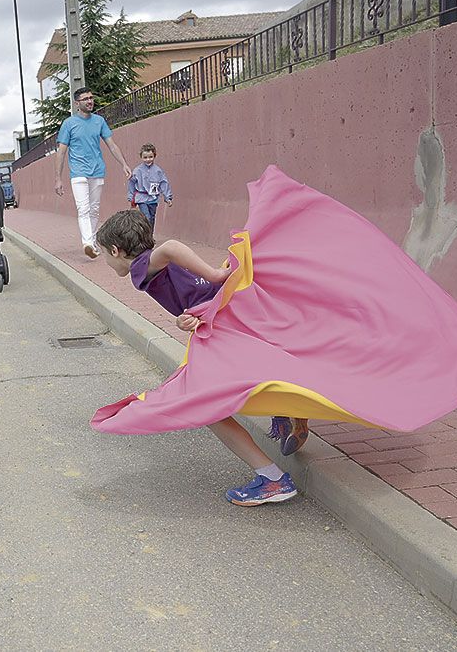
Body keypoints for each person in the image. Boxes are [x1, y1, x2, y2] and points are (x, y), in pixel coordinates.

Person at [93, 209, 303, 506]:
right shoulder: (152, 264)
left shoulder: (142, 264)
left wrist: (214, 274)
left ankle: (273, 479)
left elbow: (171, 247)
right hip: (220, 315)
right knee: (247, 371)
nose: (105, 260)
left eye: (105, 254)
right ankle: (283, 413)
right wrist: (185, 317)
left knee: (206, 404)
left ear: (116, 250)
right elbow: (186, 292)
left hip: (220, 323)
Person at [54, 86, 134, 259]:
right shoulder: (69, 124)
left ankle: (91, 242)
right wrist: (58, 178)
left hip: (97, 171)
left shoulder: (99, 121)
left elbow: (111, 144)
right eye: (86, 99)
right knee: (83, 208)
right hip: (78, 173)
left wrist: (124, 164)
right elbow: (61, 151)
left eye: (91, 98)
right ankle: (88, 243)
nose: (90, 101)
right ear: (77, 103)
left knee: (95, 209)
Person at [126, 143, 174, 231]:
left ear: (154, 156)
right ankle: (145, 236)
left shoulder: (158, 171)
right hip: (142, 198)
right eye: (145, 157)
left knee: (151, 218)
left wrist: (168, 197)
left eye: (150, 157)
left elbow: (163, 183)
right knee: (146, 217)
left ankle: (150, 236)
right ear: (141, 157)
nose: (148, 159)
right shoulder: (137, 170)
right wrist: (130, 196)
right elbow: (132, 183)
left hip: (153, 198)